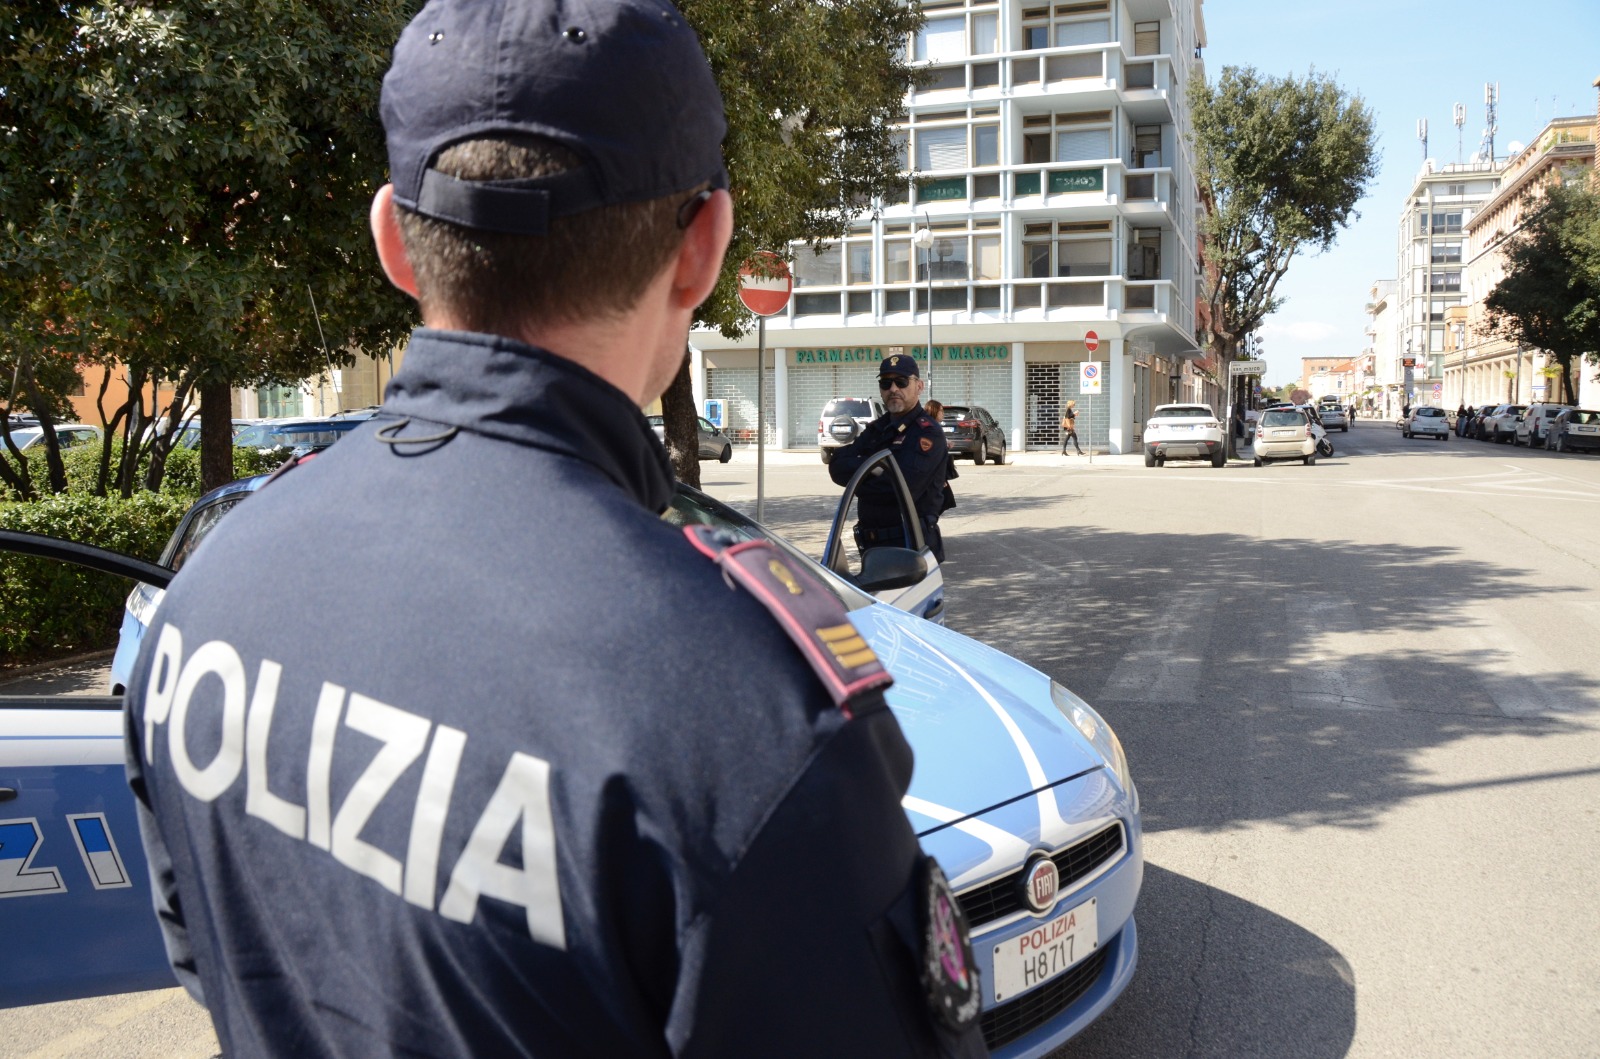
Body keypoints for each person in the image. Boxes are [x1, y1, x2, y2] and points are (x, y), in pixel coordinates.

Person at [122, 2, 986, 1056]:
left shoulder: (208, 594)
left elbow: (210, 961)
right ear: (703, 249)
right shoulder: (746, 722)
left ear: (395, 241)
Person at [828, 354, 951, 562]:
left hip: (912, 549)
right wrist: (875, 468)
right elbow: (837, 466)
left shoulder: (927, 433)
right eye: (886, 383)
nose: (893, 389)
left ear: (919, 386)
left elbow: (901, 490)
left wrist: (857, 482)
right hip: (872, 548)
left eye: (901, 382)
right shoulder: (878, 428)